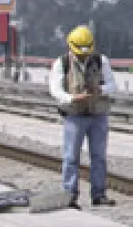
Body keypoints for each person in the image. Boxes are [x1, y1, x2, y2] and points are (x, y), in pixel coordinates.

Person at [49, 24, 117, 208]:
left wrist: (100, 89)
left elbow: (112, 84)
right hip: (74, 116)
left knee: (99, 157)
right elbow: (55, 89)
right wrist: (72, 98)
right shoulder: (62, 63)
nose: (84, 55)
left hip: (98, 115)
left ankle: (99, 194)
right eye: (81, 51)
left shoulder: (101, 61)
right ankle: (69, 195)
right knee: (71, 157)